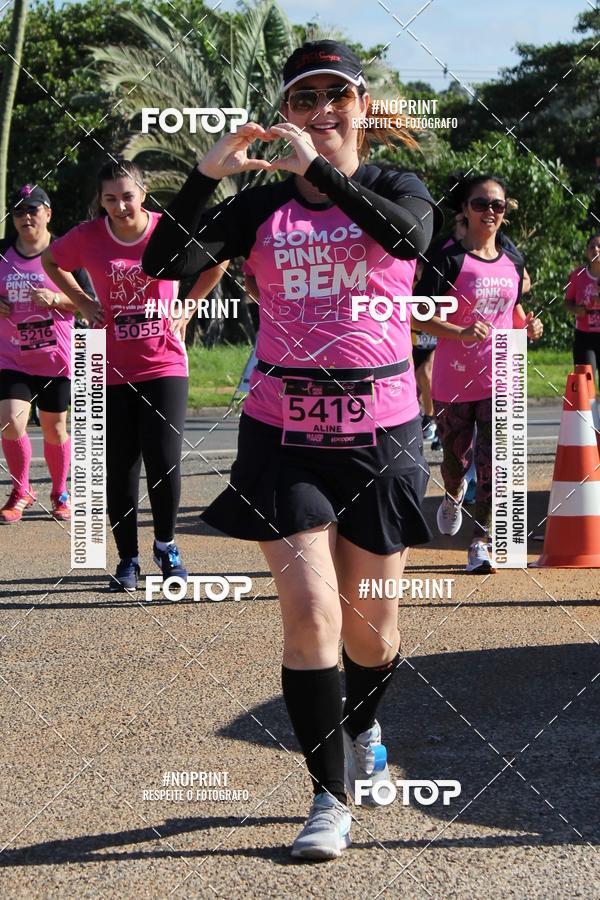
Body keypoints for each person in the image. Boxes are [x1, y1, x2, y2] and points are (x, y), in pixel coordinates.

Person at [143, 40, 442, 859]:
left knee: (370, 633)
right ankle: (328, 797)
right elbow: (163, 262)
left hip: (382, 437)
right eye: (304, 98)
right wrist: (205, 176)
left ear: (362, 106)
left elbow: (408, 240)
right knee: (310, 616)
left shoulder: (397, 188)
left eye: (337, 95)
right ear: (285, 113)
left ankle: (365, 722)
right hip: (284, 435)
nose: (322, 110)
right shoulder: (261, 208)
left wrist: (323, 173)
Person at [42, 159, 225, 591]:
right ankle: (128, 558)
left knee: (163, 459)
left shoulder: (168, 229)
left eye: (127, 196)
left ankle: (166, 546)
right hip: (108, 367)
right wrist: (82, 301)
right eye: (110, 199)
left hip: (164, 363)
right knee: (120, 466)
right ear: (101, 201)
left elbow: (217, 259)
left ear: (142, 192)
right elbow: (51, 261)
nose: (120, 206)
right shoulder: (87, 236)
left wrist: (190, 304)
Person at [415, 174, 543, 574]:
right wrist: (460, 332)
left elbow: (513, 311)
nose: (490, 211)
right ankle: (453, 493)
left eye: (497, 205)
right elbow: (417, 316)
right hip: (453, 380)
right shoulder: (448, 258)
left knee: (494, 464)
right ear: (464, 210)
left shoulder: (513, 260)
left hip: (501, 375)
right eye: (481, 204)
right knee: (456, 460)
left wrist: (528, 326)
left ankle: (480, 542)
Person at [0, 185, 84, 523]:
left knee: (55, 428)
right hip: (11, 356)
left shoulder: (66, 253)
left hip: (54, 358)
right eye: (18, 211)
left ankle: (60, 492)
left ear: (47, 213)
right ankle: (21, 489)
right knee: (9, 420)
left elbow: (90, 301)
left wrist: (57, 300)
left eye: (32, 210)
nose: (25, 217)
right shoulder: (2, 253)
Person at [565, 233, 600, 384]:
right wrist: (576, 309)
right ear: (587, 252)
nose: (596, 249)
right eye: (592, 247)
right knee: (586, 382)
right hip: (585, 337)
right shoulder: (577, 275)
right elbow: (567, 302)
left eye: (599, 246)